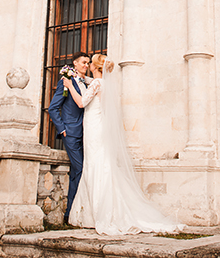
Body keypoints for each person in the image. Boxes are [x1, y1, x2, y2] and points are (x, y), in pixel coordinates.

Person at [64, 54, 182, 235]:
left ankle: (97, 214)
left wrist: (70, 86)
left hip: (94, 128)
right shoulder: (101, 83)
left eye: (90, 63)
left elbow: (81, 103)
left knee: (95, 165)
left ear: (95, 67)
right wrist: (77, 78)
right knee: (99, 164)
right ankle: (94, 213)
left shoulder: (96, 84)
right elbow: (87, 81)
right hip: (97, 126)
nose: (88, 66)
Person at [47, 51, 90, 224]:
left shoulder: (86, 83)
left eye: (87, 63)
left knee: (77, 171)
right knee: (80, 168)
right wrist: (62, 128)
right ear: (75, 63)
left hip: (86, 132)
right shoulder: (66, 81)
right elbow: (52, 108)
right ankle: (70, 211)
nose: (86, 65)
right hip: (71, 132)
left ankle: (74, 211)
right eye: (83, 62)